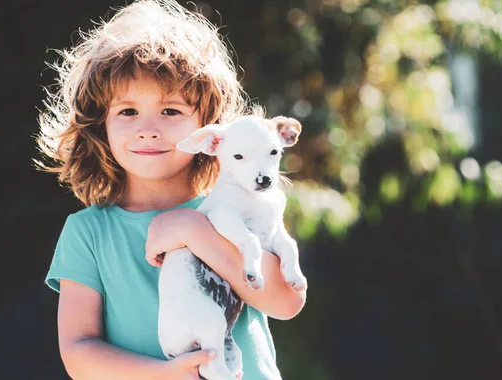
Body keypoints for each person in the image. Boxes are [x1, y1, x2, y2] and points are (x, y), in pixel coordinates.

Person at [36, 0, 307, 379]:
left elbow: (285, 301)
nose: (148, 128)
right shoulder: (88, 233)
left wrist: (194, 232)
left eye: (171, 111)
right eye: (128, 111)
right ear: (102, 126)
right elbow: (79, 352)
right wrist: (166, 374)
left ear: (208, 130)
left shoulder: (239, 204)